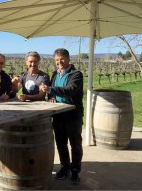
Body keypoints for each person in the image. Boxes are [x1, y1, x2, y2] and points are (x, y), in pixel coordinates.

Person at [39, 48, 84, 184]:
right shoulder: (55, 74)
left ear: (69, 59)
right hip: (58, 115)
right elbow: (52, 92)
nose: (59, 62)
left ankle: (75, 170)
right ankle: (65, 167)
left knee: (75, 145)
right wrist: (51, 96)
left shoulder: (76, 74)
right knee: (61, 144)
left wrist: (51, 89)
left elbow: (70, 90)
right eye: (57, 60)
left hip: (72, 116)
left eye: (62, 59)